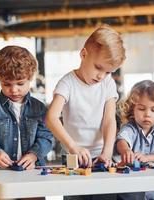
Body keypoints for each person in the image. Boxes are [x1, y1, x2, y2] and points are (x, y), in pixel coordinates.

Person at [46, 25, 125, 199]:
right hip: (73, 157)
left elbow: (109, 121)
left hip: (101, 155)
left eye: (108, 72)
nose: (101, 76)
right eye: (98, 68)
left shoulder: (107, 83)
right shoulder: (67, 83)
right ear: (83, 54)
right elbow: (51, 118)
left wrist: (107, 152)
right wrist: (73, 147)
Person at [0, 45, 54, 196]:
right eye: (7, 84)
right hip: (0, 172)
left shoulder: (39, 108)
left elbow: (47, 136)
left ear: (30, 78)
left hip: (33, 171)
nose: (14, 90)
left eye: (20, 83)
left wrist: (34, 154)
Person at [115, 80, 154, 200]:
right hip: (132, 193)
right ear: (132, 109)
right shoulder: (130, 127)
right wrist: (125, 150)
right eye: (141, 109)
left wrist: (147, 158)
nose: (147, 114)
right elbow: (122, 139)